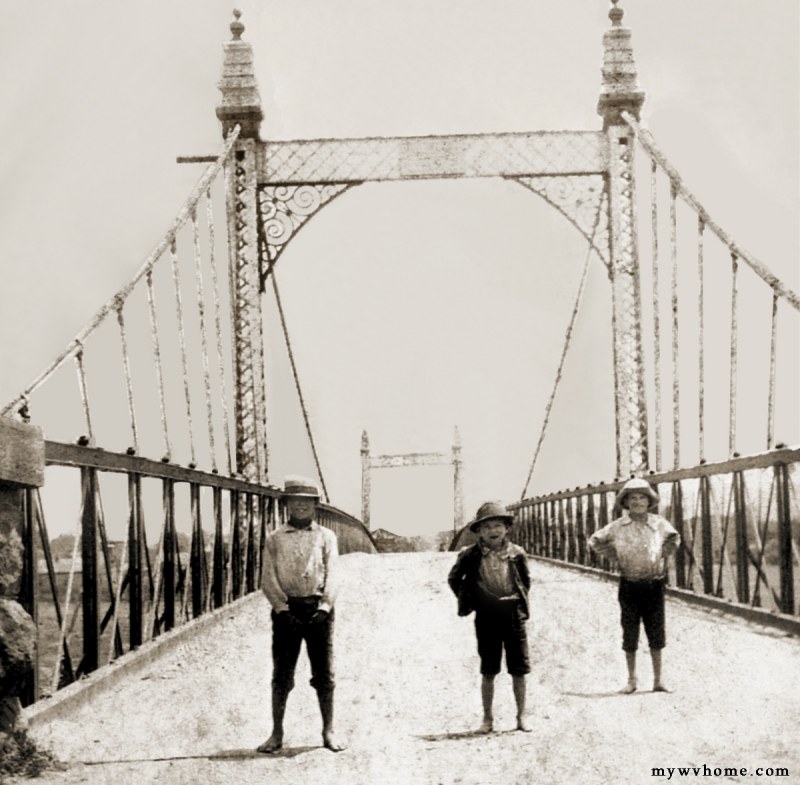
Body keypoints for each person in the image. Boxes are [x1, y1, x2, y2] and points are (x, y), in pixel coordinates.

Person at [257, 475, 345, 753]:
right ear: (287, 504)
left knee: (324, 675)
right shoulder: (274, 538)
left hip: (318, 610)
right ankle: (276, 733)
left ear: (315, 506)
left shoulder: (326, 536)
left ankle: (328, 731)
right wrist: (281, 609)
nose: (301, 506)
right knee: (282, 674)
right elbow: (267, 577)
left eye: (307, 502)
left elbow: (334, 574)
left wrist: (325, 606)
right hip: (287, 612)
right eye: (295, 501)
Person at [587, 477, 681, 694]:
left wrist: (662, 555)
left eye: (642, 498)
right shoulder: (618, 526)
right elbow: (594, 541)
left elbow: (675, 538)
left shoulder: (659, 523)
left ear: (649, 502)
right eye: (632, 498)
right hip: (629, 585)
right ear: (626, 503)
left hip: (654, 584)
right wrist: (614, 555)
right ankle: (632, 680)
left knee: (656, 632)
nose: (638, 502)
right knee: (630, 632)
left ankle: (658, 680)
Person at [448, 501, 532, 734]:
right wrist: (470, 599)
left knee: (519, 668)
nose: (492, 531)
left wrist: (516, 599)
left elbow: (525, 582)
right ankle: (487, 718)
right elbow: (454, 579)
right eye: (486, 528)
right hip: (486, 615)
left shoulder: (517, 554)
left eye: (497, 525)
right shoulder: (470, 555)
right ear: (478, 533)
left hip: (513, 613)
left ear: (506, 528)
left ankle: (521, 716)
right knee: (488, 669)